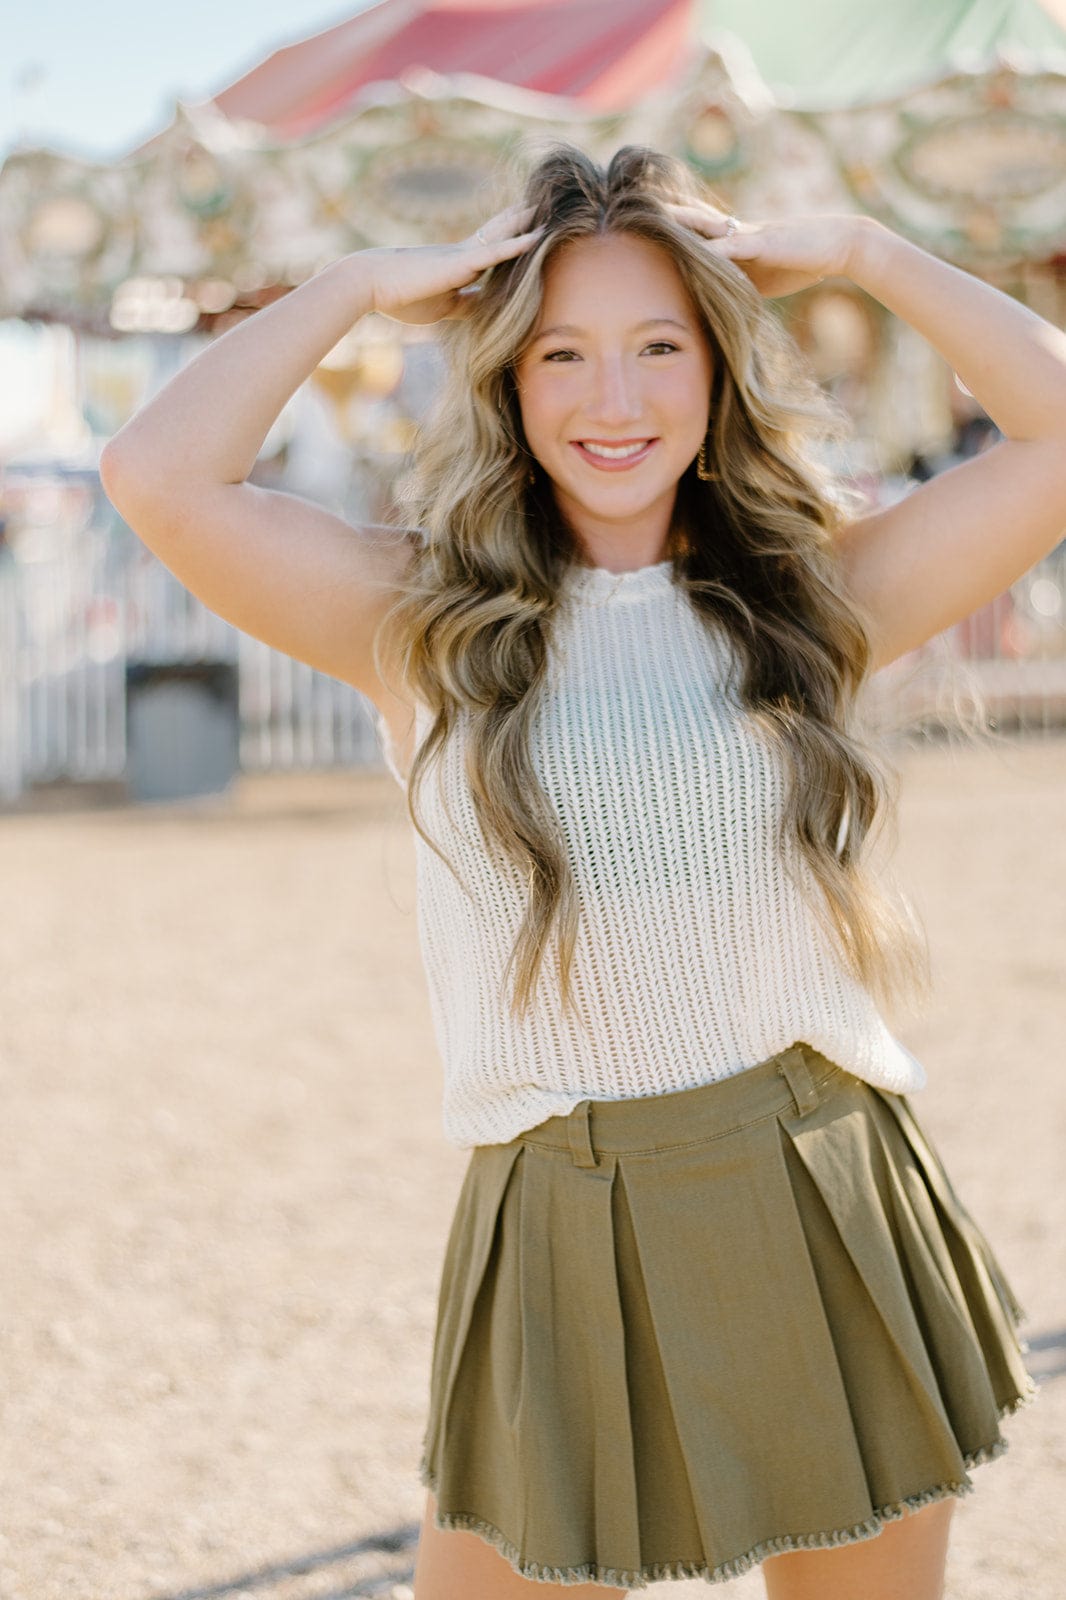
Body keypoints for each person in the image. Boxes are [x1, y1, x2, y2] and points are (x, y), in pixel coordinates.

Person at [99, 144, 1061, 1600]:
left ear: (719, 370)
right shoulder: (415, 616)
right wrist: (360, 284)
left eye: (658, 346)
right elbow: (155, 473)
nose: (614, 401)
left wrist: (865, 248)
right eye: (562, 353)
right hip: (562, 1205)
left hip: (821, 1183)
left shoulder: (818, 602)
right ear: (506, 379)